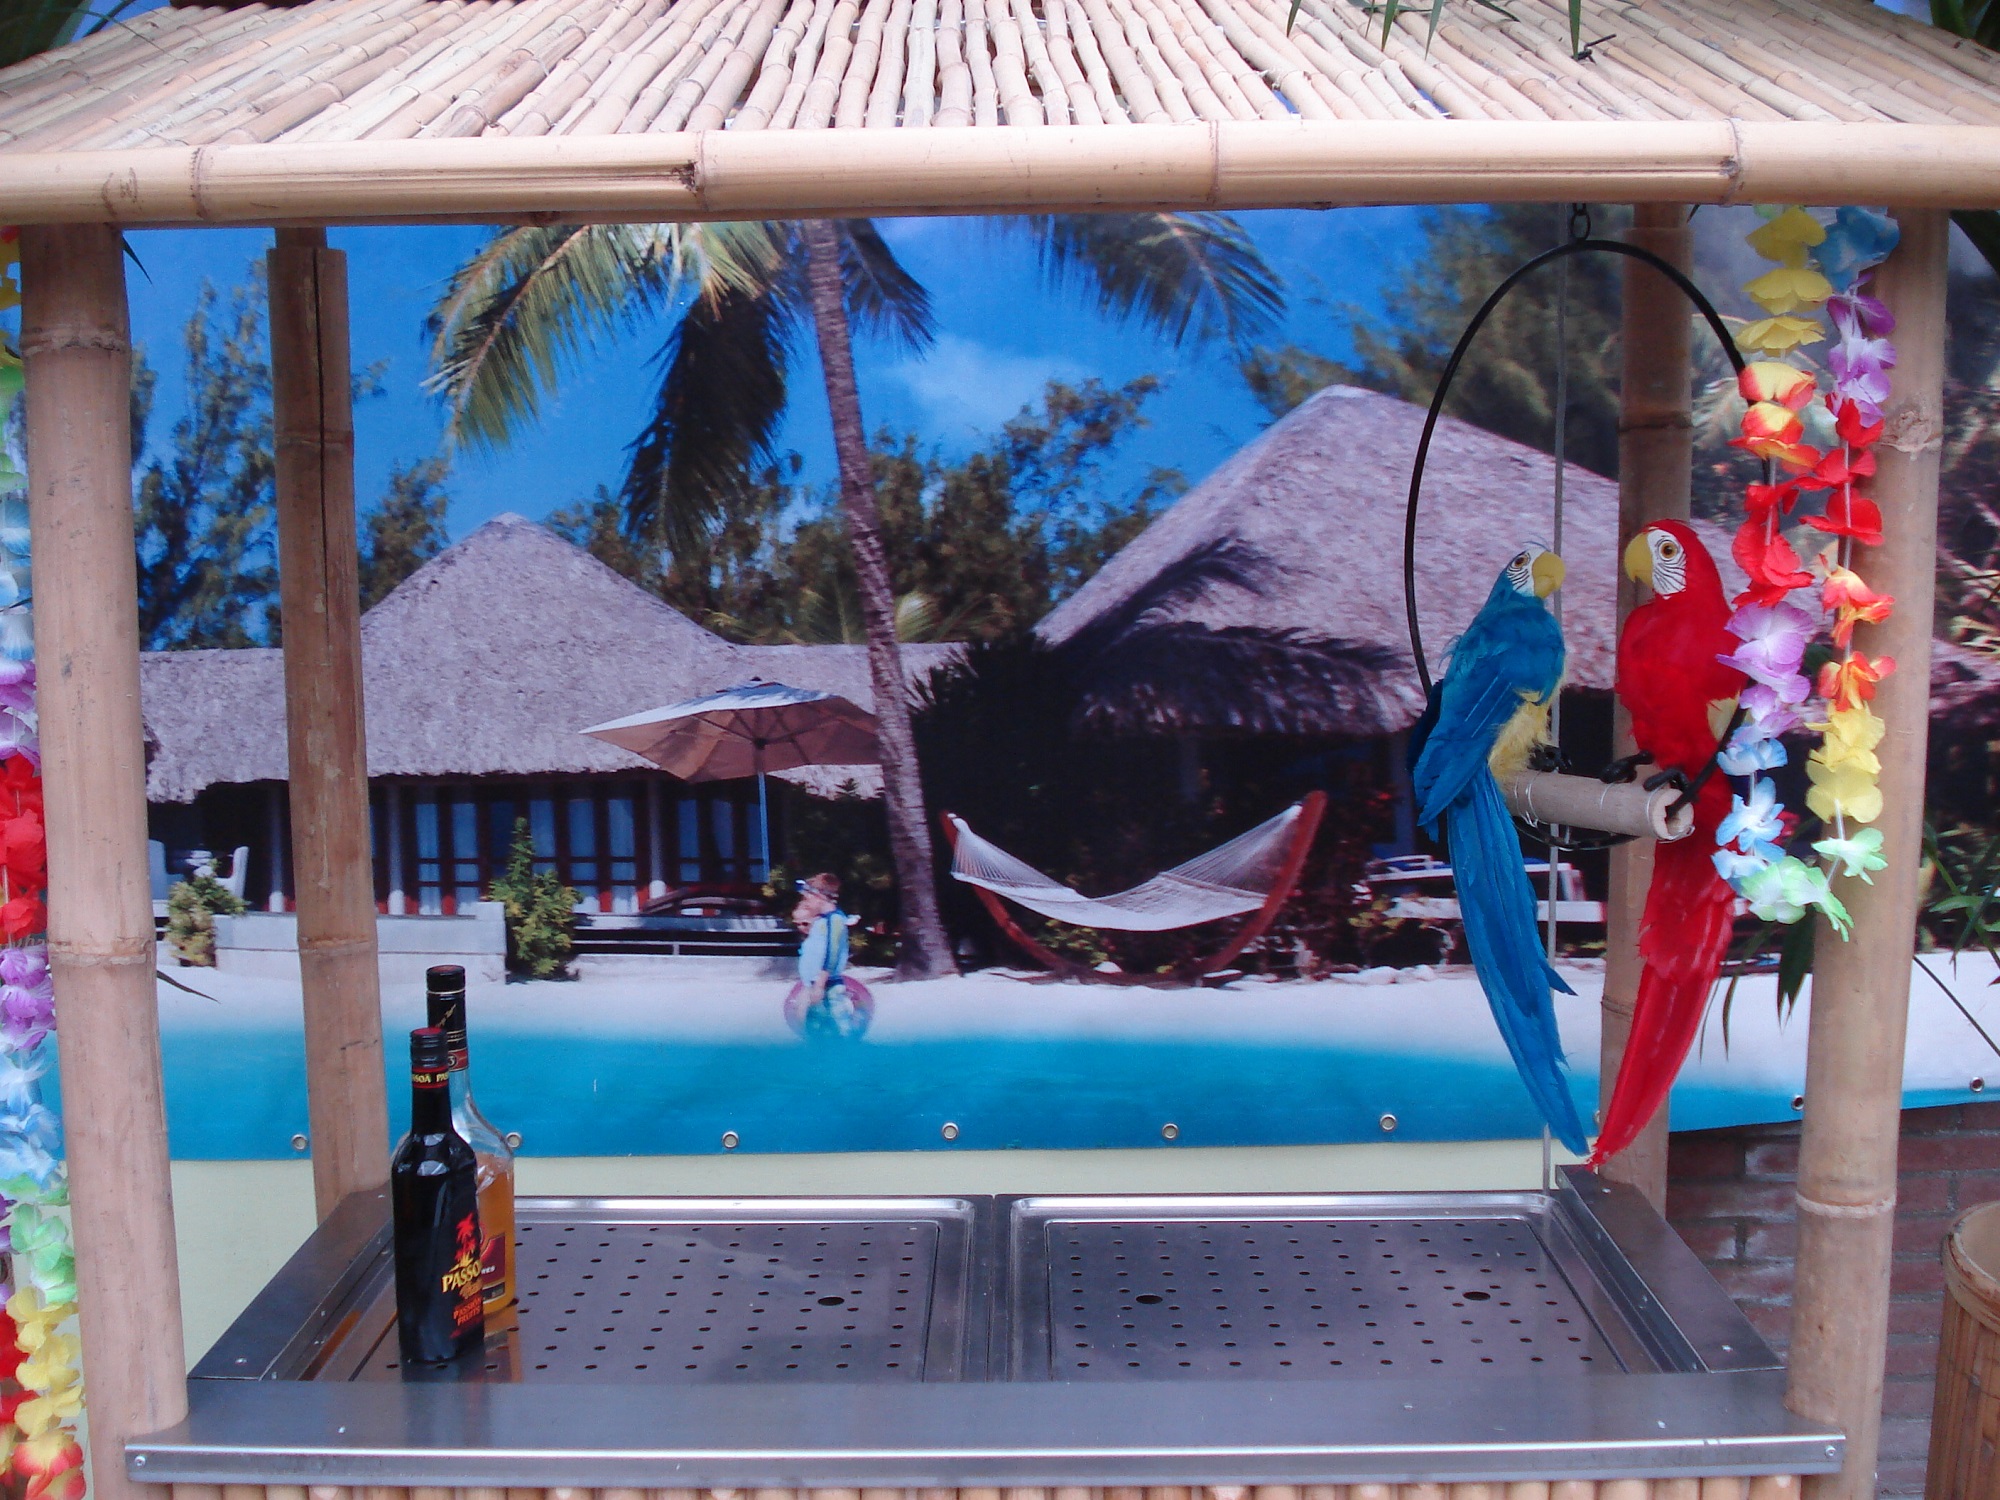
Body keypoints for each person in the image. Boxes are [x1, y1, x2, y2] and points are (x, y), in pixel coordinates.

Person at [791, 873, 860, 1039]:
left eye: (807, 898)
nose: (806, 903)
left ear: (819, 897)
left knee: (840, 1020)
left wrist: (820, 984)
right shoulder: (822, 920)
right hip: (815, 983)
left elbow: (832, 954)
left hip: (828, 983)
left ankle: (849, 1048)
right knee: (815, 1024)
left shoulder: (834, 920)